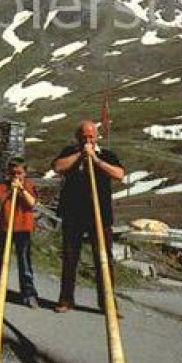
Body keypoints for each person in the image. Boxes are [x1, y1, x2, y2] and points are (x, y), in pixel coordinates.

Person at [52, 120, 126, 314]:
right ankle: (66, 300)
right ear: (78, 137)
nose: (88, 139)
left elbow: (119, 174)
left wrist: (96, 160)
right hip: (74, 215)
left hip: (100, 216)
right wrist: (80, 155)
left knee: (103, 260)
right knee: (69, 258)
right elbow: (58, 167)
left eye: (91, 136)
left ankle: (108, 303)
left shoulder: (107, 155)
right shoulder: (70, 151)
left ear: (97, 136)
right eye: (84, 136)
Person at [0, 158, 39, 309]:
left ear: (25, 173)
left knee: (24, 262)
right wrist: (11, 190)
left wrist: (21, 190)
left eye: (19, 173)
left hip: (23, 229)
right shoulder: (2, 186)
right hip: (6, 228)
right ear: (8, 173)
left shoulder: (29, 186)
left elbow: (32, 203)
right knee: (1, 262)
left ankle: (28, 294)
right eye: (13, 173)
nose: (16, 176)